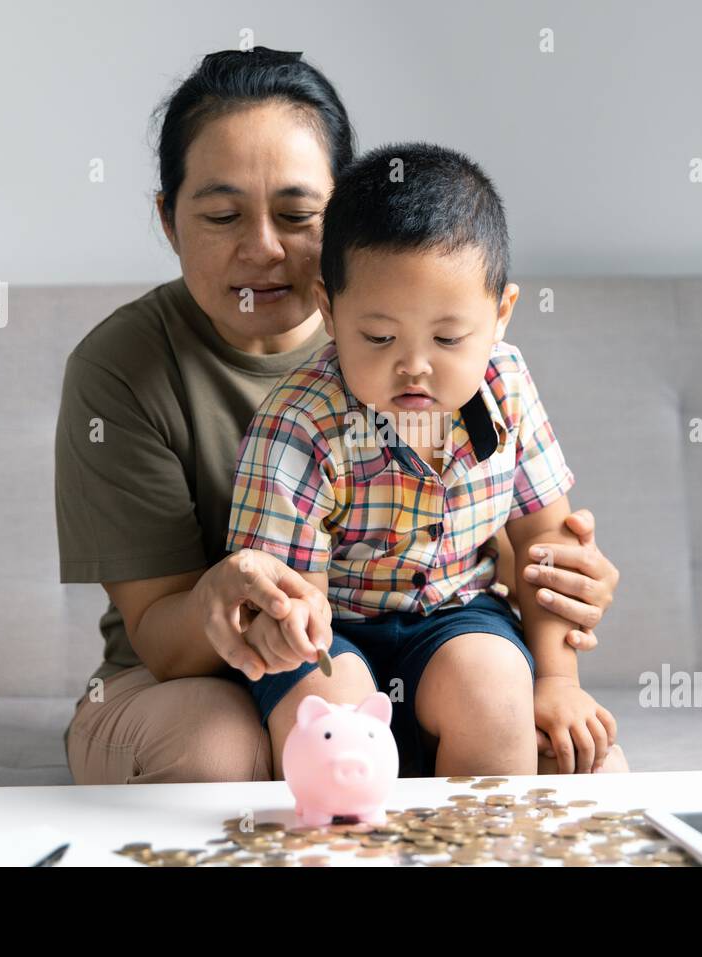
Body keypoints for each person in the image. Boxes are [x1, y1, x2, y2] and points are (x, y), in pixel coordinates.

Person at [55, 47, 626, 785]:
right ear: (169, 220)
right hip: (193, 675)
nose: (262, 249)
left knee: (575, 752)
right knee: (227, 747)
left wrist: (565, 586)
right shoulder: (129, 371)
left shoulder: (432, 333)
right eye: (222, 214)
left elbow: (509, 539)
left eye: (297, 216)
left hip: (438, 637)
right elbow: (163, 636)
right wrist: (228, 602)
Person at [226, 142, 619, 778]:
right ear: (329, 311)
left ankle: (476, 845)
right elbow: (290, 600)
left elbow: (548, 546)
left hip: (457, 616)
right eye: (379, 338)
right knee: (334, 718)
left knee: (493, 692)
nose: (414, 365)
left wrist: (558, 680)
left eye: (447, 338)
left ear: (500, 316)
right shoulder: (301, 423)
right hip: (335, 632)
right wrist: (293, 626)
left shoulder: (507, 387)